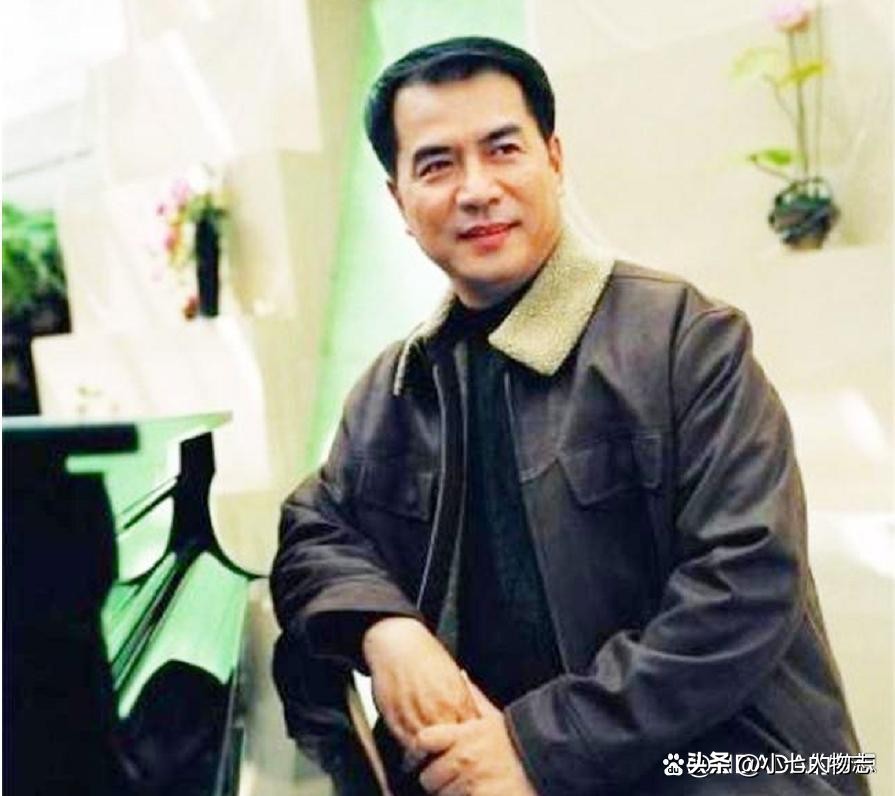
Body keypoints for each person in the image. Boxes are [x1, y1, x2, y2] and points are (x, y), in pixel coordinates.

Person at [271, 36, 868, 796]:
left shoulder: (685, 338)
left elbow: (745, 583)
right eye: (437, 165)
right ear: (399, 203)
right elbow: (314, 529)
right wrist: (385, 630)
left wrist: (535, 748)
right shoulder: (397, 385)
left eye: (503, 149)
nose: (476, 189)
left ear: (553, 160)